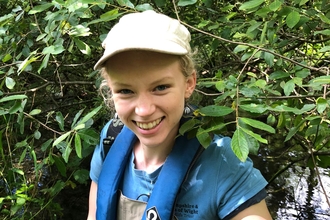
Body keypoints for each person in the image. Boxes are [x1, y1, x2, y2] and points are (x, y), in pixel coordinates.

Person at [88, 10, 272, 220]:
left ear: (189, 83)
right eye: (126, 91)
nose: (144, 110)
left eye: (160, 87)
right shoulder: (111, 138)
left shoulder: (224, 163)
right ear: (110, 92)